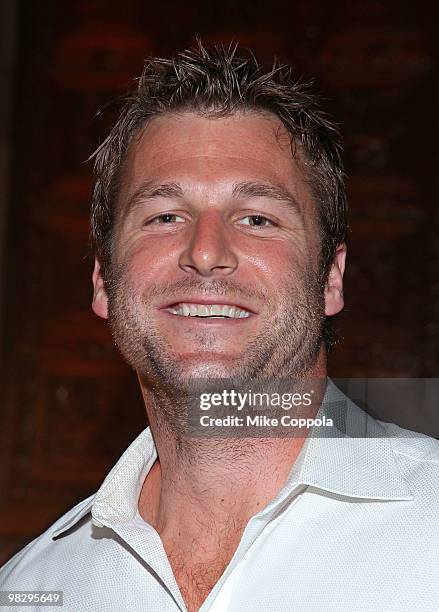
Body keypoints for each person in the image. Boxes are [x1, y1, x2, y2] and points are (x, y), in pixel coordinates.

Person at [1, 42, 438, 612]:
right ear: (103, 281)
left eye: (257, 218)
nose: (205, 253)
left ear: (331, 278)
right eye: (164, 217)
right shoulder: (30, 591)